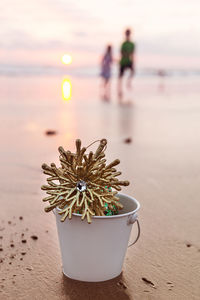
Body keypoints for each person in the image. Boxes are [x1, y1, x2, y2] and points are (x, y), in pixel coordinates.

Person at [118, 29, 135, 99]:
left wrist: (133, 62)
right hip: (123, 61)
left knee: (132, 72)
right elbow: (121, 53)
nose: (127, 35)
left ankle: (128, 82)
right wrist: (126, 54)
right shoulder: (123, 44)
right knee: (120, 77)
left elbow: (133, 54)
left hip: (129, 61)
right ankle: (119, 90)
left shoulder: (132, 44)